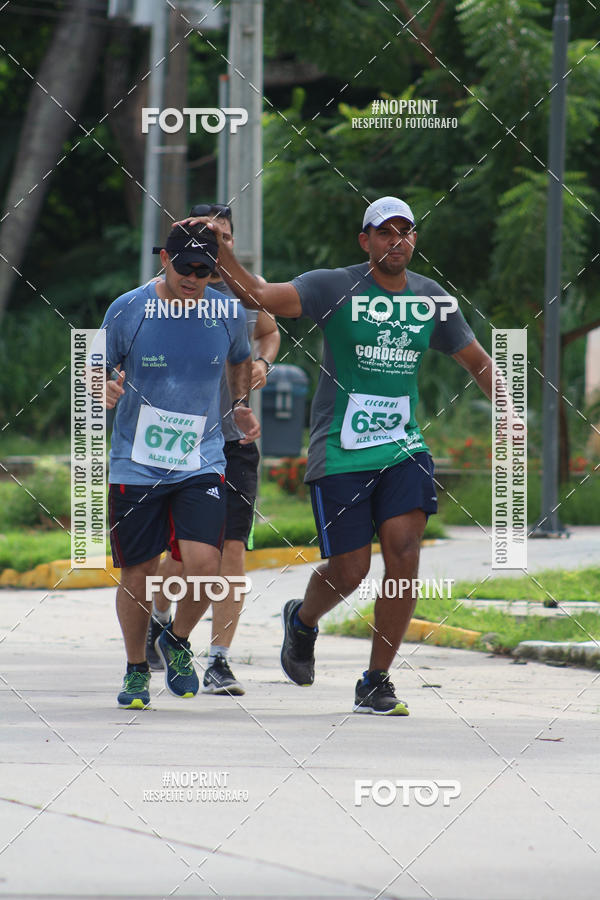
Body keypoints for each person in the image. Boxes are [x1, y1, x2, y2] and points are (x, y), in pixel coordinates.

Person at [180, 196, 495, 716]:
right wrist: (222, 253)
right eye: (385, 232)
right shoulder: (334, 286)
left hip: (403, 448)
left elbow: (478, 361)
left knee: (405, 551)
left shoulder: (431, 299)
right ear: (365, 240)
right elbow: (258, 294)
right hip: (341, 449)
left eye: (406, 232)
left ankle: (376, 680)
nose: (397, 241)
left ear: (414, 239)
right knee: (349, 570)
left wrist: (506, 409)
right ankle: (302, 621)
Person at [98, 223, 259, 709]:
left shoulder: (228, 311)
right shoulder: (129, 308)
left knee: (208, 565)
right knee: (139, 572)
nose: (193, 278)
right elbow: (92, 363)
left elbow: (239, 360)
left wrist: (239, 404)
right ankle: (133, 671)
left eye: (204, 270)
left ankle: (176, 638)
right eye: (184, 266)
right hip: (136, 462)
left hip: (201, 457)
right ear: (164, 258)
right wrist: (99, 385)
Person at [146, 204, 280, 696]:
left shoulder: (247, 290)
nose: (213, 250)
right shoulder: (169, 291)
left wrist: (262, 362)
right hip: (179, 438)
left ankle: (219, 659)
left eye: (222, 239)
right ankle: (160, 620)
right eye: (203, 239)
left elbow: (268, 332)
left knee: (232, 549)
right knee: (180, 556)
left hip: (234, 439)